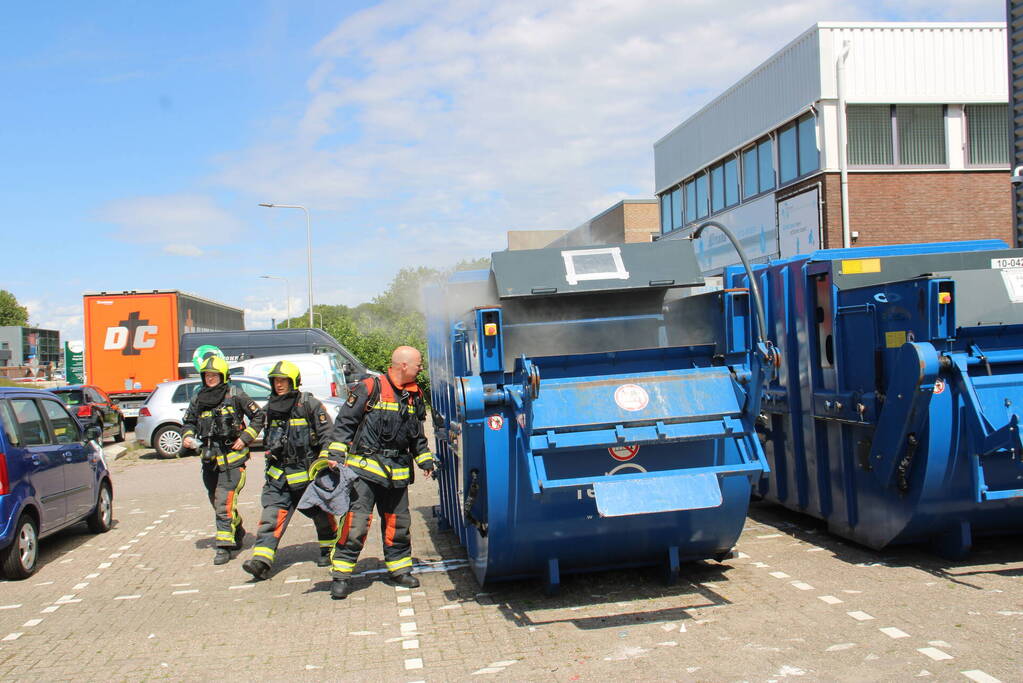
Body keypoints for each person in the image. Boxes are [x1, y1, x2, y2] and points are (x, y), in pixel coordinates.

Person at [325, 345, 436, 599]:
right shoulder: (369, 388)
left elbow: (416, 434)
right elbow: (345, 423)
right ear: (403, 366)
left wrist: (425, 460)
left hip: (397, 473)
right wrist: (335, 455)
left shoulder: (414, 395)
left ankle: (399, 570)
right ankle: (341, 575)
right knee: (356, 524)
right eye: (418, 364)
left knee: (399, 525)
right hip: (365, 472)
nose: (421, 368)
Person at [241, 360, 339, 580]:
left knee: (320, 514)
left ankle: (328, 546)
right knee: (271, 516)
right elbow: (256, 425)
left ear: (293, 382)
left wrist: (325, 460)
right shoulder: (271, 408)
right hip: (279, 477)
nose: (279, 385)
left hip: (307, 476)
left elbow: (327, 434)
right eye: (276, 381)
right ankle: (261, 561)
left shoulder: (309, 405)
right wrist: (243, 439)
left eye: (283, 380)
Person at [182, 356, 266, 565]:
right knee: (216, 500)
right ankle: (237, 529)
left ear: (223, 376)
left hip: (233, 462)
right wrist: (187, 437)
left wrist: (245, 438)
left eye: (214, 375)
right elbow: (188, 422)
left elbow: (259, 416)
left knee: (223, 502)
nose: (210, 379)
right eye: (207, 375)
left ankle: (224, 546)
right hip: (209, 460)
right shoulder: (198, 398)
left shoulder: (235, 395)